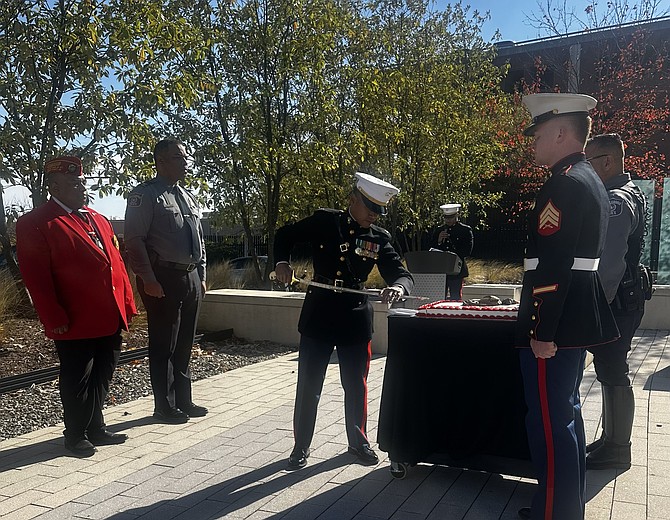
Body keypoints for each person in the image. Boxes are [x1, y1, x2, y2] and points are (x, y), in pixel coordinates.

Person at [515, 94, 619, 520]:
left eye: (538, 134)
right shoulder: (590, 177)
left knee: (549, 422)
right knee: (565, 415)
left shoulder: (563, 183)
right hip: (574, 316)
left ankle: (554, 514)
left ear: (561, 132)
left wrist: (542, 333)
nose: (533, 143)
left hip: (554, 324)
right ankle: (563, 507)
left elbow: (554, 266)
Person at [274, 171, 414, 470]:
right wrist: (282, 261)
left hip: (354, 317)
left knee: (356, 384)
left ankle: (358, 441)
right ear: (353, 199)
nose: (374, 216)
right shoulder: (326, 222)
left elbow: (401, 273)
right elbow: (285, 235)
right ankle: (301, 444)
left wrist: (398, 286)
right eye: (370, 208)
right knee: (309, 384)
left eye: (379, 211)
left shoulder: (379, 237)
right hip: (319, 315)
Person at [16, 156, 137, 457]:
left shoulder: (98, 219)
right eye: (73, 183)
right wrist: (52, 316)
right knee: (77, 376)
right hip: (74, 317)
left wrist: (126, 303)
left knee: (103, 371)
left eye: (82, 181)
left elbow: (116, 265)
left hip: (108, 314)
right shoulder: (36, 223)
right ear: (54, 187)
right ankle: (74, 434)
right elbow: (36, 277)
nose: (81, 187)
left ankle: (96, 426)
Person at [124, 139, 208, 424]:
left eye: (185, 157)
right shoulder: (145, 195)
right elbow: (134, 241)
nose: (185, 163)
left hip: (191, 276)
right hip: (163, 277)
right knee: (164, 343)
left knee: (185, 341)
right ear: (161, 161)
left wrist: (203, 275)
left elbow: (200, 238)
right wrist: (147, 278)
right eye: (178, 158)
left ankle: (183, 399)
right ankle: (164, 405)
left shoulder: (186, 195)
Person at [585, 133, 648, 471]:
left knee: (612, 368)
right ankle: (612, 439)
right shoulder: (629, 192)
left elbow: (608, 265)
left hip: (615, 301)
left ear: (606, 162)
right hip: (625, 298)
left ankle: (618, 448)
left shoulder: (615, 201)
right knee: (609, 368)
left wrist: (593, 308)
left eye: (588, 161)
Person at [429, 203, 473, 300]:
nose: (448, 220)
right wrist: (439, 241)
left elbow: (466, 251)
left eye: (451, 217)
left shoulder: (464, 230)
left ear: (457, 215)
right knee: (439, 296)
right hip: (441, 268)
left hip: (456, 268)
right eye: (446, 217)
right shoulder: (439, 230)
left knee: (455, 296)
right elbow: (431, 249)